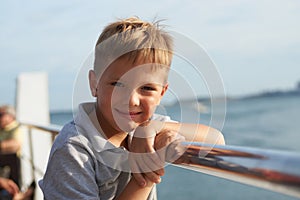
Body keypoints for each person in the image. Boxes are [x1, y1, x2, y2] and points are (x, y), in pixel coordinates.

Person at [39, 17, 225, 199]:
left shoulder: (144, 125)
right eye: (118, 84)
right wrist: (147, 171)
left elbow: (216, 140)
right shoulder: (73, 149)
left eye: (147, 88)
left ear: (161, 93)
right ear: (94, 84)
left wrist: (152, 129)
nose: (132, 100)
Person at [0, 105, 22, 187]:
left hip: (8, 164)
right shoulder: (2, 128)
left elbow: (16, 145)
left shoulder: (15, 127)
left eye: (1, 115)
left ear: (10, 116)